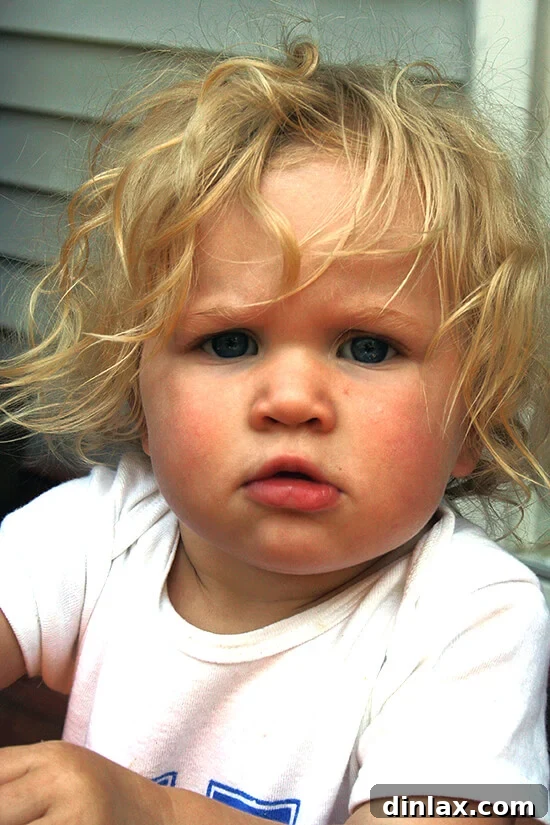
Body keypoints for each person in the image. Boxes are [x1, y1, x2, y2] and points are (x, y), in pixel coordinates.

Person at [0, 39, 548, 825]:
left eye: (369, 346)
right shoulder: (104, 531)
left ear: (475, 421)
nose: (292, 399)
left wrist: (147, 813)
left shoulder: (474, 613)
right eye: (230, 341)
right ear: (139, 402)